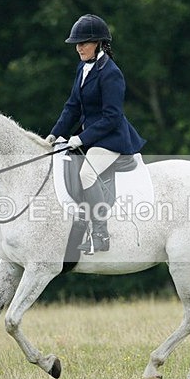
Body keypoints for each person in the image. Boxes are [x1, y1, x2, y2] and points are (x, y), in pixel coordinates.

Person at [45, 14, 146, 253]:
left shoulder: (111, 73)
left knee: (87, 174)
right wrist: (54, 134)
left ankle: (101, 234)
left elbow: (112, 117)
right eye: (77, 44)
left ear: (99, 43)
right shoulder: (83, 68)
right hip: (92, 136)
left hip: (112, 139)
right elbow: (72, 106)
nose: (79, 48)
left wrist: (81, 138)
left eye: (84, 43)